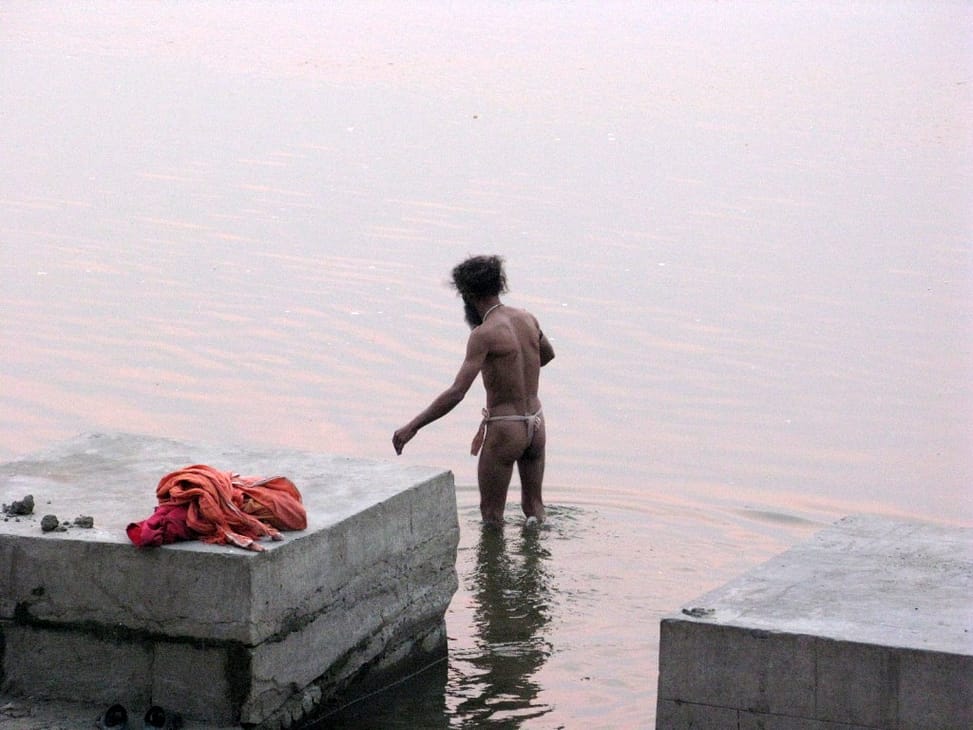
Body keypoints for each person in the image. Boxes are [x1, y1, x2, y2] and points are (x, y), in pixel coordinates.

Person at [393, 255, 555, 525]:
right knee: (535, 507)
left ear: (468, 294)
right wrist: (517, 369)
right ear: (498, 284)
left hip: (506, 427)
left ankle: (493, 554)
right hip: (536, 424)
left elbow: (457, 392)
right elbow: (547, 355)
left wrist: (413, 427)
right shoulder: (528, 318)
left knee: (491, 515)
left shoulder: (483, 334)